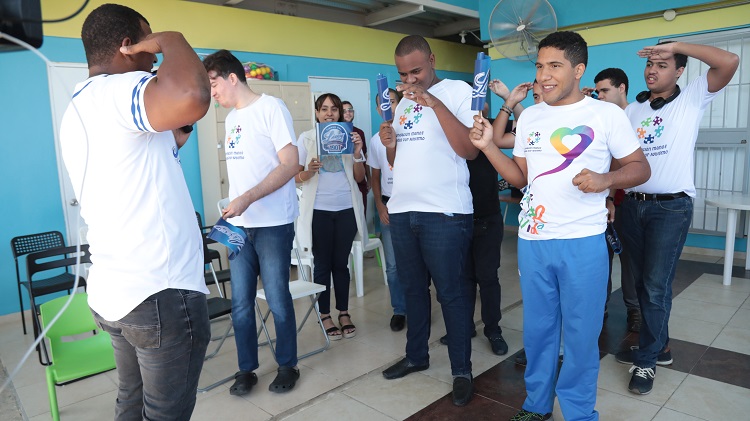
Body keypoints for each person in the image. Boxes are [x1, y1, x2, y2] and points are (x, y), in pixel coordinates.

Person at [469, 31, 650, 421]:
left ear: (578, 69)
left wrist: (605, 181)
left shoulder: (605, 115)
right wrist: (486, 146)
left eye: (555, 66)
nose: (544, 75)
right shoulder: (531, 115)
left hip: (583, 242)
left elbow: (640, 168)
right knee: (538, 332)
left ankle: (580, 411)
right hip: (534, 240)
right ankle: (536, 404)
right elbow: (520, 178)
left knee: (582, 337)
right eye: (539, 66)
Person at [59, 4, 211, 419]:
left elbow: (140, 163)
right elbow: (193, 95)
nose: (156, 59)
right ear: (128, 47)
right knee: (166, 413)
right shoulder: (120, 89)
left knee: (131, 400)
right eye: (150, 47)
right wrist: (173, 37)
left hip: (116, 291)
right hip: (158, 289)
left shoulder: (79, 105)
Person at [616, 41, 738, 395]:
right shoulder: (633, 109)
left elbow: (729, 61)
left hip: (670, 208)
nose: (653, 69)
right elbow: (619, 158)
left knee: (656, 286)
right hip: (633, 205)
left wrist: (677, 45)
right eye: (650, 64)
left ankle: (647, 361)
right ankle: (660, 348)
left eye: (663, 64)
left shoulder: (694, 96)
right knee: (640, 285)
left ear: (680, 70)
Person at [379, 35, 477, 407]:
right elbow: (397, 162)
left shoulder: (457, 92)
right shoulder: (402, 101)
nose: (410, 80)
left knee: (451, 292)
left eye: (416, 71)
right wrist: (391, 142)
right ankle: (417, 355)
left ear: (433, 60)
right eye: (403, 73)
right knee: (413, 289)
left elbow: (469, 150)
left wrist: (433, 104)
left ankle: (461, 369)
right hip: (404, 209)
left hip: (445, 211)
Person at [203, 50, 302, 395]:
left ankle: (288, 364)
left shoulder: (271, 108)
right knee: (241, 302)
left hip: (273, 223)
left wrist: (248, 198)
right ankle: (246, 369)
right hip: (239, 225)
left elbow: (291, 164)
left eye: (213, 84)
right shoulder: (231, 119)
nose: (211, 92)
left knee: (276, 297)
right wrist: (238, 205)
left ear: (232, 77)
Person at [439, 81, 531, 356]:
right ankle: (465, 327)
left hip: (487, 216)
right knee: (462, 279)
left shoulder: (492, 124)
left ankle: (493, 330)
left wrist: (509, 99)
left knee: (487, 278)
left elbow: (526, 127)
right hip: (456, 217)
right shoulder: (449, 131)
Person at [296, 93, 366, 341]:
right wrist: (308, 171)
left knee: (341, 264)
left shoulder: (348, 137)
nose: (329, 113)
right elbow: (294, 177)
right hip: (319, 211)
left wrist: (357, 152)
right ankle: (325, 314)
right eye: (324, 109)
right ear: (316, 113)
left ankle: (344, 312)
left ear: (340, 113)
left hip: (346, 208)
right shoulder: (306, 139)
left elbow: (359, 178)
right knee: (323, 264)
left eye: (334, 109)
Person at [583, 68, 641, 332]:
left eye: (605, 90)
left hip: (630, 201)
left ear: (622, 88)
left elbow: (630, 164)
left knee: (629, 260)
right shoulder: (597, 116)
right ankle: (599, 307)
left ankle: (635, 311)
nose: (600, 96)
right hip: (604, 200)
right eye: (597, 92)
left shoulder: (637, 115)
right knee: (601, 259)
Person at [368, 88, 407, 331]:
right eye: (383, 103)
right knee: (392, 265)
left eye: (392, 102)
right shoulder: (375, 141)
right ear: (376, 109)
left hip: (411, 203)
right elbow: (375, 176)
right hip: (389, 205)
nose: (388, 107)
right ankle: (399, 309)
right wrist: (380, 205)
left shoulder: (410, 133)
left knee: (417, 263)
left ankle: (419, 305)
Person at [342, 100, 371, 215]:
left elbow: (365, 157)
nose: (348, 113)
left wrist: (369, 177)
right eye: (344, 111)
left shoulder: (359, 133)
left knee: (361, 216)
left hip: (360, 181)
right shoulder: (336, 132)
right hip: (345, 183)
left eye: (350, 110)